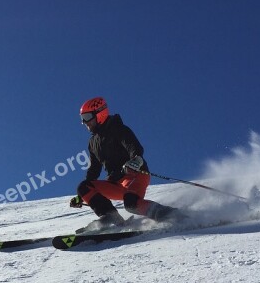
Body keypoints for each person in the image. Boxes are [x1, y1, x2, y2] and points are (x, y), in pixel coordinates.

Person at [70, 97, 179, 229]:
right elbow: (94, 169)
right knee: (83, 187)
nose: (85, 122)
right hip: (115, 182)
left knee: (131, 204)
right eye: (82, 119)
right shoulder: (93, 143)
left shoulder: (118, 128)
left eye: (87, 117)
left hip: (134, 175)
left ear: (100, 113)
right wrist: (81, 196)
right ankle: (110, 216)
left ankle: (172, 215)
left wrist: (136, 160)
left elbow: (134, 147)